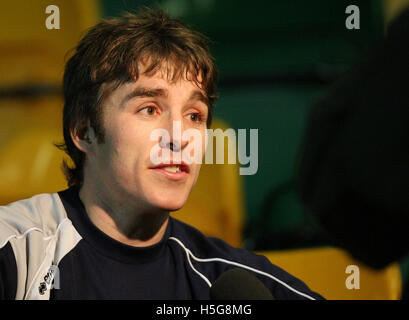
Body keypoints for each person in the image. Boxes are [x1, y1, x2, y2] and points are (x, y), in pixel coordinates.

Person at [0, 8, 323, 300]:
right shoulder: (16, 249)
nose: (179, 136)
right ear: (85, 131)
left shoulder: (234, 282)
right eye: (149, 109)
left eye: (195, 116)